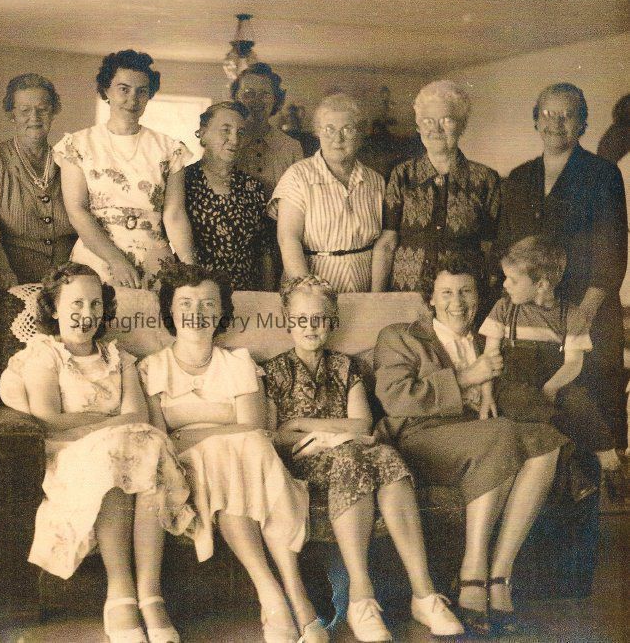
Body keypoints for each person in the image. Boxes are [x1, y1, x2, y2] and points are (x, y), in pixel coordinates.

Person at [0, 262, 195, 643]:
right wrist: (109, 424)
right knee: (121, 451)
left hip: (125, 447)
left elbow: (138, 415)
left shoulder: (117, 357)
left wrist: (105, 425)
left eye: (94, 304)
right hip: (69, 455)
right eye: (76, 304)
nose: (86, 314)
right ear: (54, 308)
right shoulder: (45, 354)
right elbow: (49, 419)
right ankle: (120, 591)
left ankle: (151, 593)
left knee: (147, 449)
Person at [263, 276, 464, 642]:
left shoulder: (346, 366)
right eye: (301, 319)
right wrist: (318, 434)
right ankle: (361, 595)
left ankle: (424, 594)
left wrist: (302, 423)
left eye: (319, 318)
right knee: (355, 457)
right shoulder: (275, 371)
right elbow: (276, 435)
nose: (310, 327)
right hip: (304, 463)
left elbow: (361, 424)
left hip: (352, 453)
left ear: (332, 321)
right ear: (288, 321)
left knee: (386, 455)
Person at [373, 259, 567, 636]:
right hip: (420, 439)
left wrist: (535, 393)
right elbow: (396, 398)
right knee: (501, 434)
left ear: (479, 296)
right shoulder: (400, 336)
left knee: (547, 443)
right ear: (430, 298)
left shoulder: (489, 340)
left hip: (479, 437)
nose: (457, 302)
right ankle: (472, 570)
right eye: (446, 293)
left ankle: (500, 574)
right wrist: (466, 378)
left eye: (466, 291)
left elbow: (513, 398)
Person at [138, 263, 327, 643]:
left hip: (243, 466)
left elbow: (255, 430)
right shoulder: (152, 368)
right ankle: (289, 599)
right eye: (185, 303)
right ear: (170, 311)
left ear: (222, 311)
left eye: (208, 303)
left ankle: (280, 598)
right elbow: (161, 441)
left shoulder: (238, 362)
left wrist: (195, 434)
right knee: (234, 457)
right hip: (191, 470)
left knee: (247, 453)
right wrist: (216, 437)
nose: (197, 312)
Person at [496, 83, 628, 453]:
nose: (557, 123)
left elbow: (613, 249)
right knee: (544, 407)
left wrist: (585, 310)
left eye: (567, 115)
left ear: (582, 123)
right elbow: (507, 246)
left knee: (595, 404)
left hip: (588, 308)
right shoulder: (519, 177)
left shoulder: (602, 174)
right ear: (536, 121)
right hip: (533, 311)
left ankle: (608, 478)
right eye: (548, 114)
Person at [479, 236, 621, 483]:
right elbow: (488, 359)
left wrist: (552, 386)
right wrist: (486, 395)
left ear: (541, 285)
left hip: (553, 382)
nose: (505, 284)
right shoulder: (504, 309)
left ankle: (608, 456)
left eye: (513, 279)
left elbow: (573, 363)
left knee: (578, 401)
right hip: (513, 386)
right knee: (523, 400)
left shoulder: (571, 315)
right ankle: (571, 460)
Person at [54, 50, 196, 289]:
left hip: (155, 262)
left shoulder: (170, 149)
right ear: (106, 91)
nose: (133, 99)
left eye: (142, 91)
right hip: (97, 258)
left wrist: (190, 268)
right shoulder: (77, 145)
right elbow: (77, 211)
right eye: (124, 89)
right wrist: (116, 261)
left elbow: (174, 215)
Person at [375, 80, 500, 296]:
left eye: (447, 120)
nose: (436, 129)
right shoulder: (402, 174)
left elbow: (491, 247)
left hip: (461, 297)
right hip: (408, 293)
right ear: (418, 127)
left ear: (462, 125)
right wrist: (376, 299)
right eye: (428, 121)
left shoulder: (485, 179)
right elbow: (387, 242)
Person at [0, 73, 77, 289]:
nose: (34, 117)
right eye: (25, 110)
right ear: (12, 115)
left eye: (42, 109)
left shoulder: (69, 161)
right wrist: (3, 272)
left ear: (53, 112)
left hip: (67, 283)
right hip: (10, 281)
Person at [271, 93, 387, 292]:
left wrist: (376, 297)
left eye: (347, 129)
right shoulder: (297, 176)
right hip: (312, 289)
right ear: (317, 132)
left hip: (364, 288)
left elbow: (382, 245)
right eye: (329, 129)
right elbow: (288, 239)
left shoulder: (376, 181)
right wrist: (308, 292)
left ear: (360, 134)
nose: (337, 139)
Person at [230, 63, 304, 290]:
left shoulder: (291, 147)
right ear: (236, 97)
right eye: (248, 93)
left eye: (265, 94)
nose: (256, 100)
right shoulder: (228, 143)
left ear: (276, 100)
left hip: (280, 240)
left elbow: (300, 199)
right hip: (234, 239)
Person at [185, 101, 267, 290]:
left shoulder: (253, 187)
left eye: (241, 132)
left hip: (246, 293)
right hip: (199, 291)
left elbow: (265, 250)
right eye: (226, 130)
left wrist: (268, 295)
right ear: (203, 133)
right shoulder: (183, 181)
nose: (235, 139)